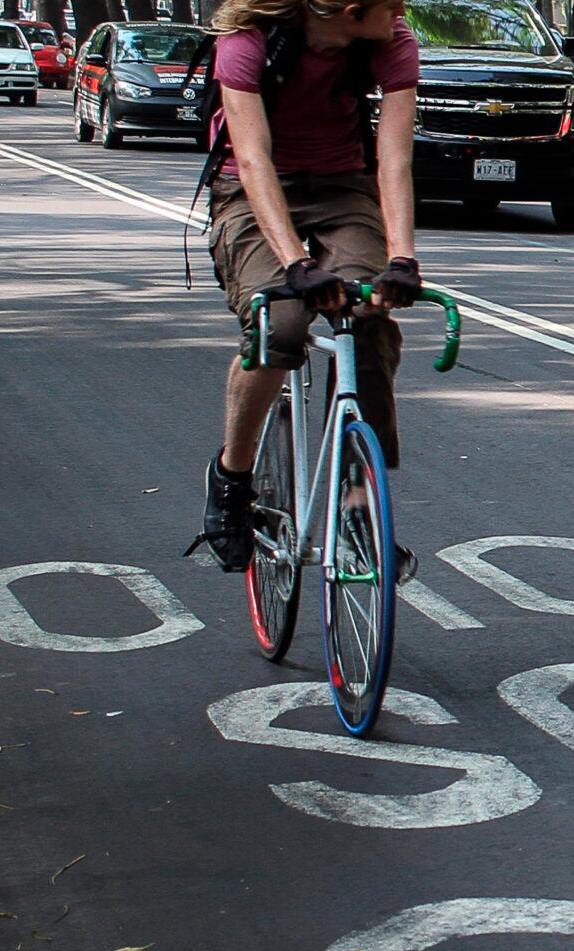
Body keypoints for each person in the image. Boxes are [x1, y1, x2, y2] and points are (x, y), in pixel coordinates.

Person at [188, 0, 421, 574]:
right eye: (391, 3)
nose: (400, 12)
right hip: (251, 192)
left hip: (343, 187)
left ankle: (359, 500)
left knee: (368, 316)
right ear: (350, 9)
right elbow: (252, 159)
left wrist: (401, 258)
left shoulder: (390, 42)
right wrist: (295, 264)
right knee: (282, 325)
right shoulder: (248, 41)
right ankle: (232, 475)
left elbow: (394, 161)